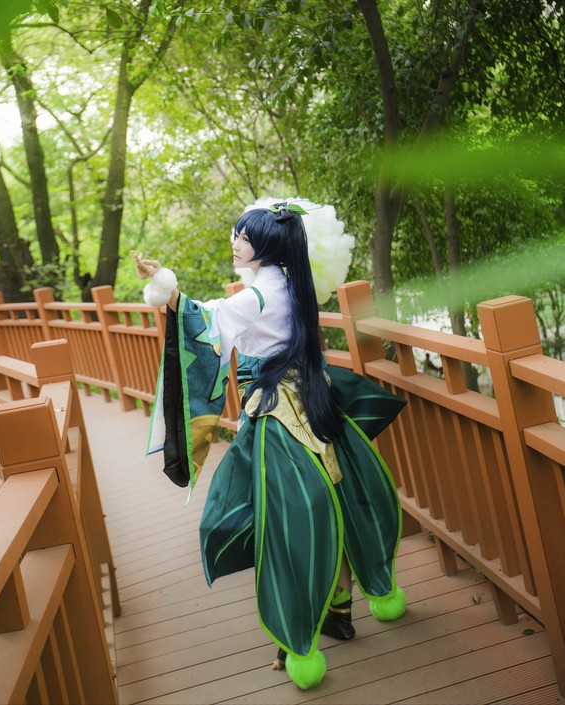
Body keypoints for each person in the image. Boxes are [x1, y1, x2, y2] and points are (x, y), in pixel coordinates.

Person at [132, 201, 407, 690]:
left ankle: (297, 633)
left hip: (279, 414)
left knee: (285, 518)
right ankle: (340, 609)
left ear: (269, 244)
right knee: (334, 499)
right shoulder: (290, 282)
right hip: (312, 399)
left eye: (243, 236)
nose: (235, 243)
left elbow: (206, 320)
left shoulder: (260, 295)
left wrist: (167, 289)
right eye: (237, 234)